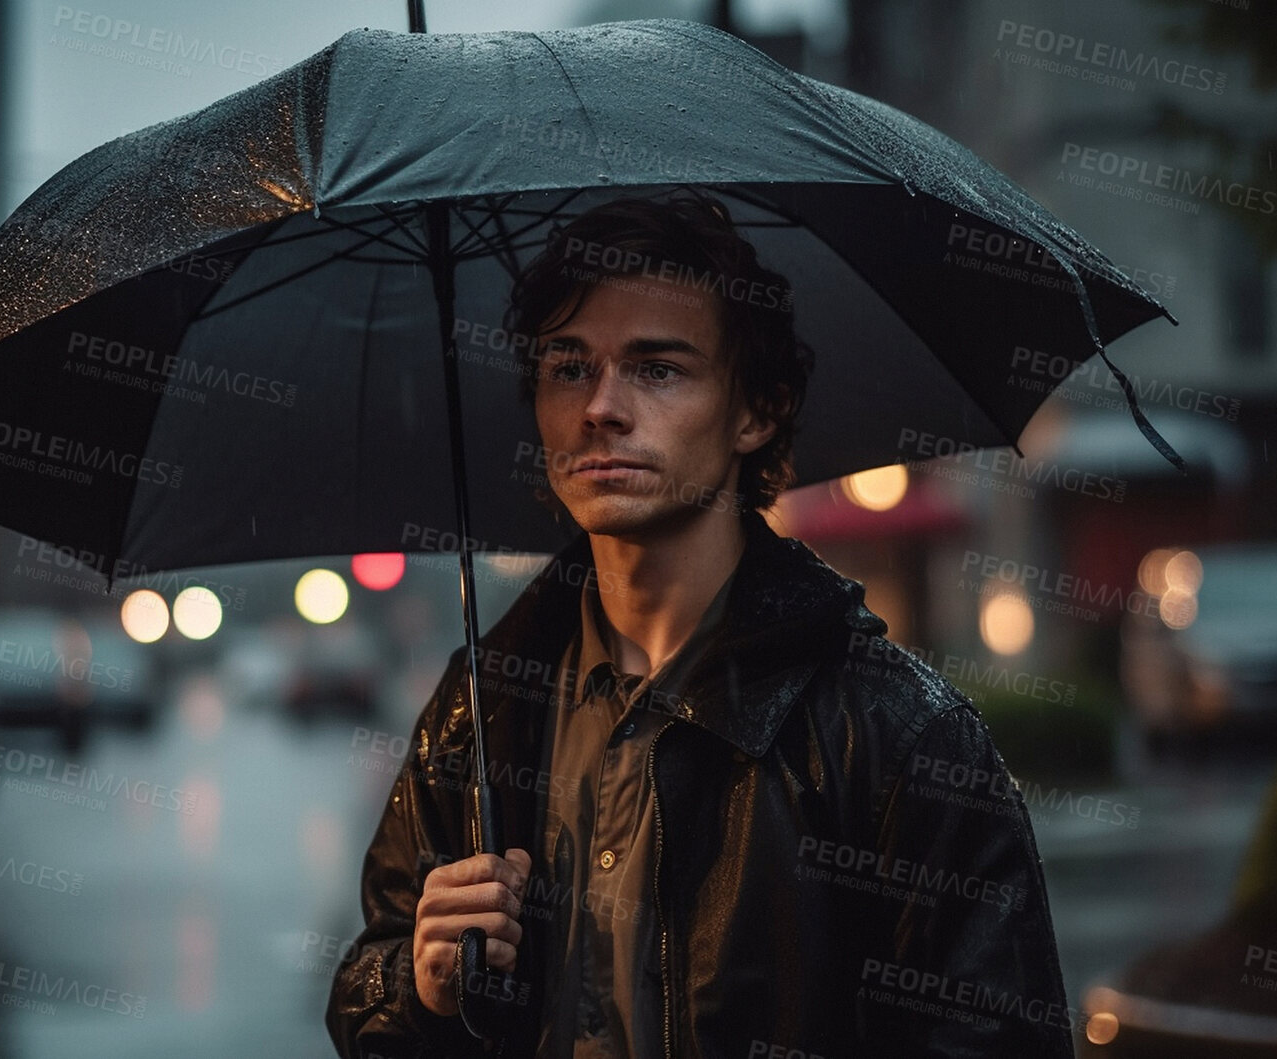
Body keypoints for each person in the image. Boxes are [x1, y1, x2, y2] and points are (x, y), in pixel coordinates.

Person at [327, 192, 1075, 1058]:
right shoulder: (478, 710)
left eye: (656, 368)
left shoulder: (895, 736)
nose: (600, 407)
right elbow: (365, 990)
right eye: (568, 366)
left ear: (754, 412)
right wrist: (419, 988)